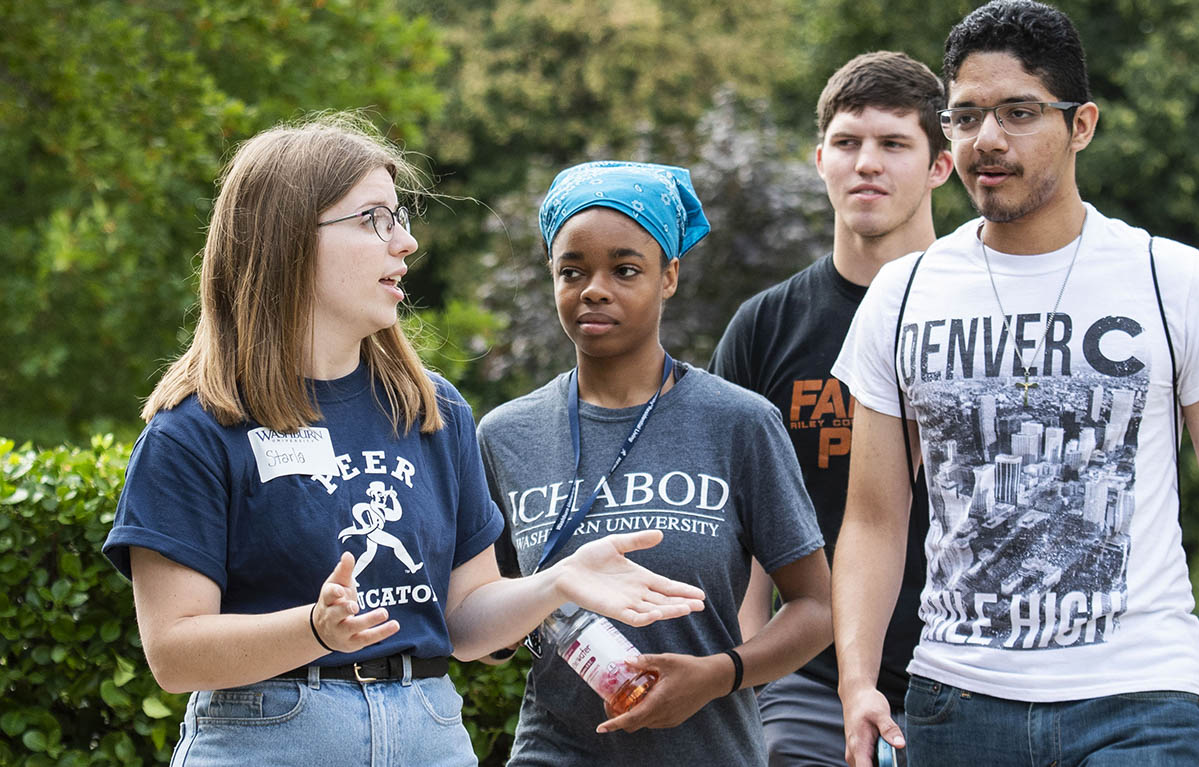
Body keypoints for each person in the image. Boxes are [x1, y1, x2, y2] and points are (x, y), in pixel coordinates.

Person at [102, 114, 707, 766]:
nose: (407, 242)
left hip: (430, 732)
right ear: (287, 240)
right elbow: (173, 651)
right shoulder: (194, 430)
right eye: (374, 220)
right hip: (270, 737)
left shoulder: (431, 408)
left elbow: (467, 618)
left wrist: (558, 582)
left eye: (401, 217)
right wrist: (314, 629)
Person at [830, 3, 1199, 765]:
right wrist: (856, 677)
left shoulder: (1170, 280)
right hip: (956, 696)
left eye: (1018, 112)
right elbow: (875, 518)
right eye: (966, 116)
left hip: (1138, 695)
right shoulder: (903, 293)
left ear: (1082, 125)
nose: (988, 139)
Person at [476, 161, 831, 766]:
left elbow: (817, 608)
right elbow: (485, 634)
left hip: (710, 752)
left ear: (668, 276)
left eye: (625, 269)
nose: (594, 287)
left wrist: (720, 675)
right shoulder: (505, 435)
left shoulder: (738, 423)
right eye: (572, 270)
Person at [708, 50, 953, 767]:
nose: (866, 163)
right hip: (807, 680)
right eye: (847, 143)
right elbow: (736, 531)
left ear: (941, 165)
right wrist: (748, 679)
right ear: (821, 159)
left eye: (894, 144)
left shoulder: (980, 315)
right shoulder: (765, 326)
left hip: (967, 674)